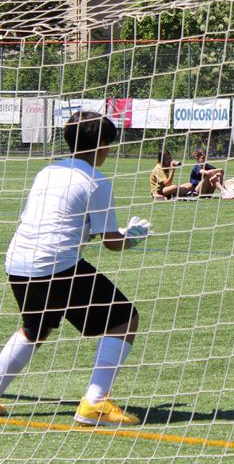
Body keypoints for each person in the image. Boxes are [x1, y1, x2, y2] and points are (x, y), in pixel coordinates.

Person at [0, 111, 150, 426]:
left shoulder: (48, 171)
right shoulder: (96, 181)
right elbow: (111, 242)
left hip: (18, 262)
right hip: (55, 265)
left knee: (35, 328)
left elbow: (62, 219)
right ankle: (94, 404)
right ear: (101, 144)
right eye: (109, 144)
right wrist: (133, 237)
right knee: (124, 319)